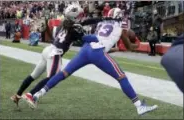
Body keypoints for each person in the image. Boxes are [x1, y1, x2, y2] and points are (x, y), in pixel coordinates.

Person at [25, 8, 158, 115]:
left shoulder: (101, 23)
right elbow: (129, 46)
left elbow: (98, 39)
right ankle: (139, 106)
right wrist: (138, 45)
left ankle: (37, 94)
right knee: (121, 77)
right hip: (98, 52)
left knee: (64, 73)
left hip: (86, 50)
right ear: (119, 16)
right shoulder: (120, 26)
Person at [10, 4, 120, 107]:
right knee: (53, 77)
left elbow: (85, 22)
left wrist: (102, 19)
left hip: (48, 50)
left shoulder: (64, 23)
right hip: (55, 53)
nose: (81, 17)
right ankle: (30, 94)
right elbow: (88, 41)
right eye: (80, 15)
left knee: (33, 75)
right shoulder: (76, 28)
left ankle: (17, 95)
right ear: (75, 16)